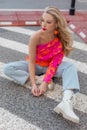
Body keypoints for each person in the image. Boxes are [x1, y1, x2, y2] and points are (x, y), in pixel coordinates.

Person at [4, 6, 80, 123]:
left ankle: (66, 103)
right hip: (36, 65)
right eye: (42, 20)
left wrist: (45, 82)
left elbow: (55, 63)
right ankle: (39, 78)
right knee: (7, 68)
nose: (43, 24)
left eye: (48, 22)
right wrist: (34, 83)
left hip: (50, 67)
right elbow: (32, 61)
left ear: (56, 24)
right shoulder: (36, 36)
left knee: (70, 67)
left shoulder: (60, 38)